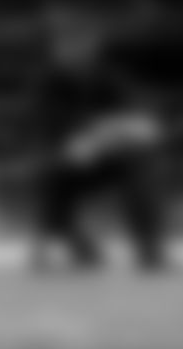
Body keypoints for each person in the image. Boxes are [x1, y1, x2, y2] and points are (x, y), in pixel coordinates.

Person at [30, 26, 168, 272]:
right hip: (68, 157)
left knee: (140, 166)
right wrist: (97, 133)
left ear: (93, 49)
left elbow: (145, 127)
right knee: (48, 174)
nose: (74, 52)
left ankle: (149, 246)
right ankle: (75, 244)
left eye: (80, 44)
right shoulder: (47, 84)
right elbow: (54, 131)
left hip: (113, 155)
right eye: (66, 46)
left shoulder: (112, 78)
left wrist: (100, 135)